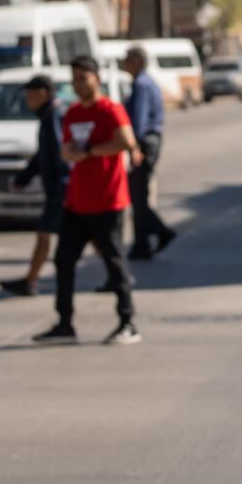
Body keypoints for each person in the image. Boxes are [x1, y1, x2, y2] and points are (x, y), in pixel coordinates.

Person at [33, 57, 143, 346]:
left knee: (114, 262)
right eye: (75, 78)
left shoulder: (110, 110)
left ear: (96, 78)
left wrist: (91, 151)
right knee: (64, 261)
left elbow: (126, 141)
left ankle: (127, 322)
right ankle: (65, 322)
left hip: (107, 201)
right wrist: (69, 153)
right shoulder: (73, 113)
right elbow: (66, 148)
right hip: (77, 201)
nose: (79, 83)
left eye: (84, 77)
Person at [0, 75, 70, 297]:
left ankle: (30, 281)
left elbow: (59, 153)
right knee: (53, 234)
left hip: (61, 189)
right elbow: (43, 156)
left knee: (48, 234)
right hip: (59, 188)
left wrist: (60, 184)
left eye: (30, 95)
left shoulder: (53, 116)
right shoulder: (48, 115)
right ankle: (30, 280)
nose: (27, 100)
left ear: (43, 93)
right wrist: (25, 177)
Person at [122, 45, 175, 260]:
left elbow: (138, 121)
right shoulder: (143, 82)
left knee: (138, 194)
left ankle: (155, 235)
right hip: (147, 141)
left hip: (144, 142)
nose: (124, 63)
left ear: (137, 62)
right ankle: (148, 239)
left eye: (127, 59)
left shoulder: (142, 84)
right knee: (138, 194)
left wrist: (133, 146)